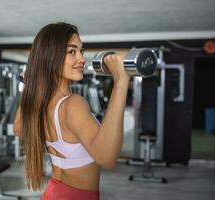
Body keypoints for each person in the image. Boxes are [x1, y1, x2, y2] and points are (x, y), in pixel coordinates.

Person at [13, 22, 130, 200]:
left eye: (81, 51)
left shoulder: (42, 103)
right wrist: (121, 81)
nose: (82, 58)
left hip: (54, 192)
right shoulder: (72, 104)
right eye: (72, 51)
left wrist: (33, 83)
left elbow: (18, 128)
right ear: (50, 57)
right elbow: (107, 158)